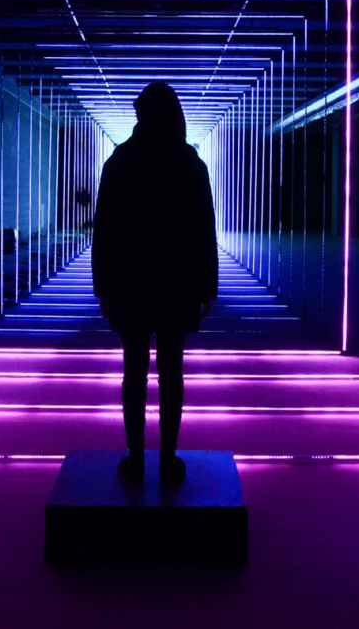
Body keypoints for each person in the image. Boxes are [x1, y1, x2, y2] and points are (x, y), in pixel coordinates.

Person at [92, 81, 218, 486]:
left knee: (134, 373)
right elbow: (204, 230)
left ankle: (135, 457)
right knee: (171, 373)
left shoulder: (120, 162)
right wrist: (206, 286)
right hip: (176, 285)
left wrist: (103, 288)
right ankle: (167, 458)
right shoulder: (189, 164)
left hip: (131, 284)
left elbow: (105, 231)